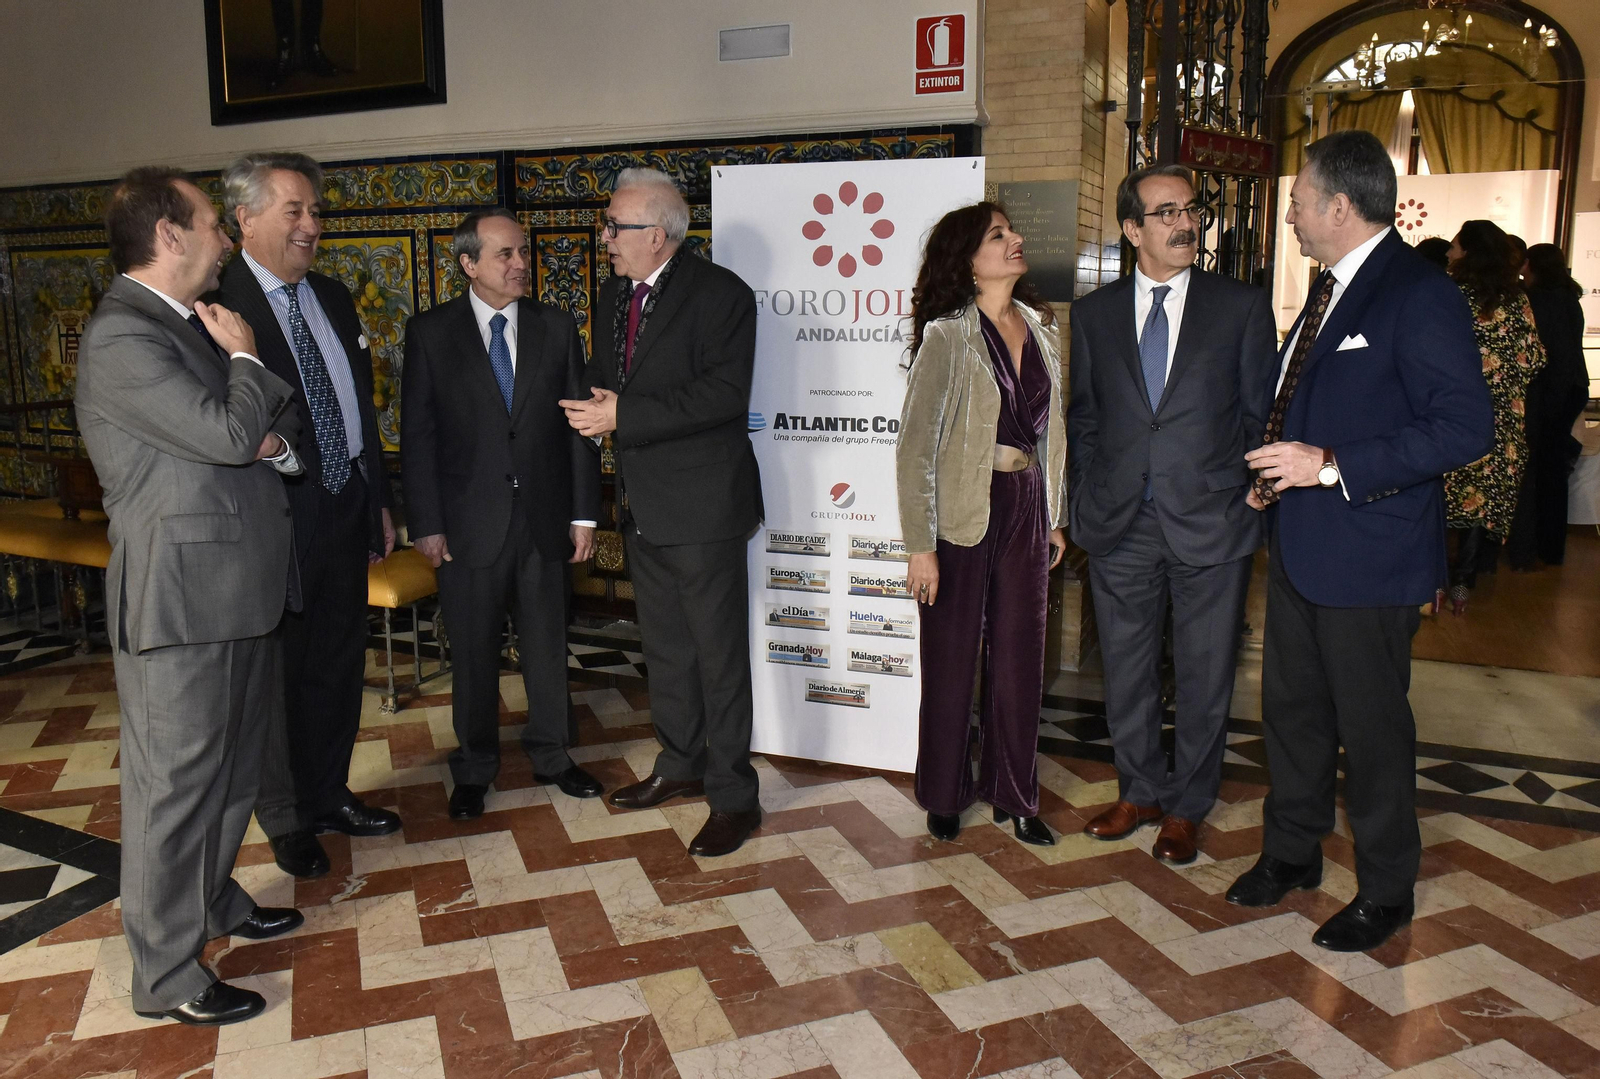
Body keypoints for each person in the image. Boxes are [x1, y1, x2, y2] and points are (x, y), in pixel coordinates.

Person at [1228, 130, 1493, 952]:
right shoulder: (1327, 289)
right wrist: (1279, 470)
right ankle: (1292, 851)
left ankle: (1387, 888)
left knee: (1374, 731)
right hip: (1304, 545)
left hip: (1372, 556)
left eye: (1300, 202)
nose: (1293, 218)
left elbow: (1463, 426)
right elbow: (1311, 404)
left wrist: (1330, 463)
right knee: (1294, 716)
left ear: (1341, 205)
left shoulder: (1416, 294)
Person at [75, 167, 308, 1025]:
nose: (223, 237)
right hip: (179, 600)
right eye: (212, 222)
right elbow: (223, 431)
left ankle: (213, 903)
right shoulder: (122, 337)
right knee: (174, 790)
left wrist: (255, 429)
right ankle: (167, 974)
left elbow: (246, 436)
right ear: (169, 236)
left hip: (236, 588)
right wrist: (245, 357)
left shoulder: (184, 323)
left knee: (232, 770)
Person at [1067, 166, 1277, 864]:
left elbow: (1260, 413)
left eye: (1190, 210)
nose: (1185, 223)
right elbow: (1086, 417)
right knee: (1124, 667)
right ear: (1131, 229)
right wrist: (1087, 500)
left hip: (1212, 521)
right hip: (1121, 523)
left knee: (1203, 670)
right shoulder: (1095, 314)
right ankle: (1138, 790)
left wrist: (1254, 493)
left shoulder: (1239, 307)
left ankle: (1188, 804)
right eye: (1165, 213)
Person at [561, 168, 764, 858]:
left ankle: (735, 796)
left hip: (705, 508)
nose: (605, 238)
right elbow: (607, 381)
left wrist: (624, 414)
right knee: (667, 651)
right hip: (641, 504)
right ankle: (679, 765)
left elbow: (725, 395)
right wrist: (592, 413)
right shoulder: (616, 293)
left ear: (656, 234)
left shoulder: (722, 295)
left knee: (718, 657)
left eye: (615, 226)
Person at [212, 152, 400, 879]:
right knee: (282, 675)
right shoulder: (221, 307)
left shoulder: (332, 295)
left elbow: (359, 407)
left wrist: (377, 498)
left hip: (345, 502)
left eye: (316, 211)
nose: (311, 226)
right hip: (275, 520)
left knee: (338, 661)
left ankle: (329, 793)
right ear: (246, 218)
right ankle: (287, 817)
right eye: (294, 211)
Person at [402, 208, 602, 820]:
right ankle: (474, 768)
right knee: (473, 651)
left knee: (546, 646)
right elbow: (419, 437)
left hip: (543, 519)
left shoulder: (556, 327)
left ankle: (552, 754)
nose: (521, 265)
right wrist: (428, 524)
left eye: (523, 252)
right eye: (506, 255)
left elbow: (578, 429)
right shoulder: (430, 333)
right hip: (466, 527)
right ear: (468, 264)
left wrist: (584, 516)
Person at [895, 202, 1067, 847]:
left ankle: (1015, 795)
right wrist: (920, 546)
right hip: (959, 517)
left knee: (1021, 660)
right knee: (950, 660)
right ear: (968, 261)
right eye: (999, 236)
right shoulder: (948, 336)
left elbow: (1053, 434)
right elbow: (915, 449)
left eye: (1012, 231)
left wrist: (1053, 516)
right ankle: (944, 793)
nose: (1017, 240)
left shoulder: (1042, 328)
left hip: (1025, 509)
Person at [1440, 220, 1546, 613]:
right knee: (1481, 503)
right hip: (1501, 420)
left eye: (1453, 246)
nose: (1449, 253)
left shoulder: (1449, 294)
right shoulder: (1516, 298)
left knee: (1440, 493)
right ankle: (1464, 583)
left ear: (1467, 251)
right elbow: (1534, 357)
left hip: (1451, 412)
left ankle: (1432, 581)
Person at [1508, 244, 1590, 568]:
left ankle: (1537, 546)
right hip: (1572, 388)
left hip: (1554, 391)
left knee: (1542, 469)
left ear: (1530, 264)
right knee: (1553, 470)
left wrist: (1548, 403)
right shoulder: (1568, 297)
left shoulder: (1541, 300)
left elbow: (1551, 356)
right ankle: (1550, 546)